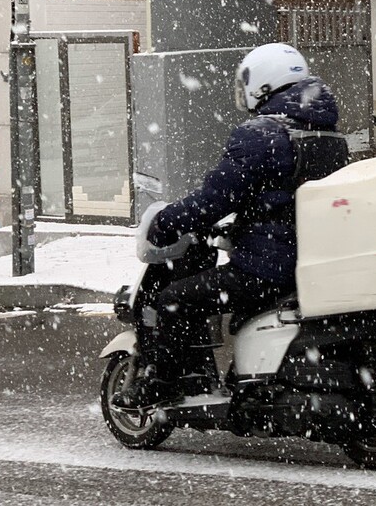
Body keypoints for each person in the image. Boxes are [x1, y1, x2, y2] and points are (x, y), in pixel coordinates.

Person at [113, 43, 348, 408]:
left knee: (173, 299)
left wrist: (165, 221)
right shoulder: (329, 135)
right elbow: (283, 199)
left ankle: (163, 383)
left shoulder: (261, 134)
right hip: (309, 260)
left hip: (267, 267)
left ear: (263, 85)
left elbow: (214, 199)